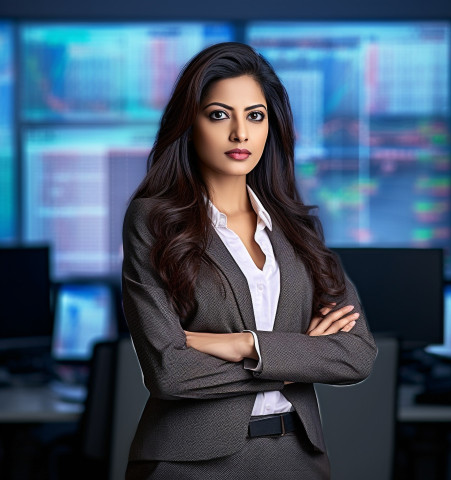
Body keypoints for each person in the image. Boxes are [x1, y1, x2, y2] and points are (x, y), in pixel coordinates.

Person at [122, 42, 377, 480]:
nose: (240, 133)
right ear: (190, 123)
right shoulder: (153, 220)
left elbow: (356, 355)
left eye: (254, 116)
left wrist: (245, 345)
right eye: (219, 114)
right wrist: (295, 360)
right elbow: (169, 370)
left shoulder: (299, 230)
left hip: (298, 457)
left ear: (269, 127)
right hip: (190, 463)